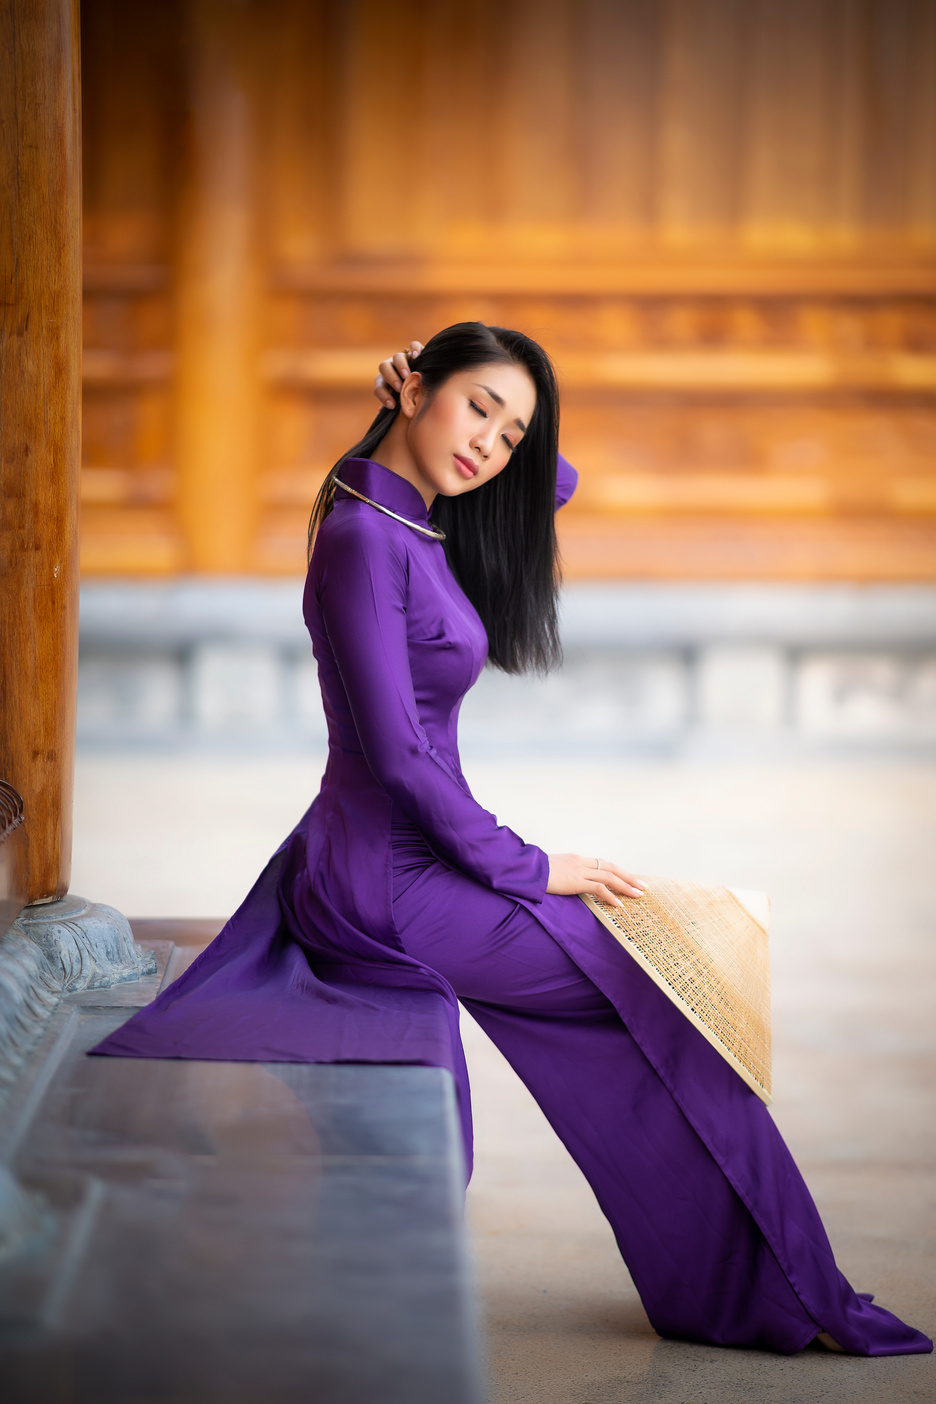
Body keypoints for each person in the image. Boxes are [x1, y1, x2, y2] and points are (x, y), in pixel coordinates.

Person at [93, 322, 931, 1358]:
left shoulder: (410, 519)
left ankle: (757, 1285)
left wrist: (471, 410)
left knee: (660, 997)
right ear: (415, 390)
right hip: (386, 879)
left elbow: (550, 482)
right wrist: (533, 868)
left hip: (408, 857)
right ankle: (767, 1292)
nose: (492, 442)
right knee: (656, 992)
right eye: (477, 406)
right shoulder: (364, 539)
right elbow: (399, 756)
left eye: (513, 429)